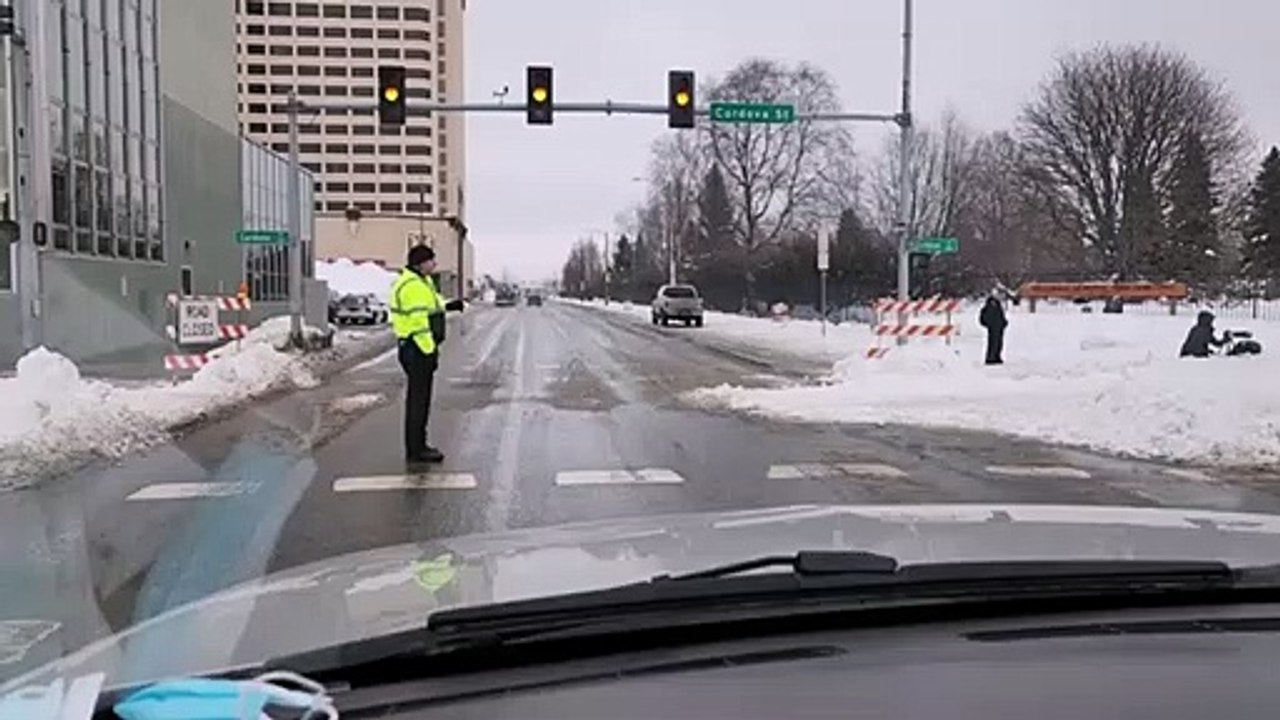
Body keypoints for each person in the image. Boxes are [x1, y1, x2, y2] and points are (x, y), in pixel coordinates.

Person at [390, 245, 464, 464]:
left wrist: (449, 305)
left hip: (416, 348)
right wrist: (429, 350)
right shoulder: (412, 286)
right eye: (431, 260)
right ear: (420, 263)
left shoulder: (422, 282)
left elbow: (433, 303)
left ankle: (418, 445)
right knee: (418, 401)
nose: (434, 264)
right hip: (417, 348)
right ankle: (416, 449)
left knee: (420, 399)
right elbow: (418, 323)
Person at [979, 296, 1008, 365]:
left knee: (999, 343)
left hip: (999, 327)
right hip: (992, 328)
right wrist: (988, 324)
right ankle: (990, 358)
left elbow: (1002, 316)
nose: (993, 303)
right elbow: (982, 318)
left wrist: (1004, 323)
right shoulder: (986, 308)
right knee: (992, 343)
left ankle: (997, 356)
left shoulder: (999, 307)